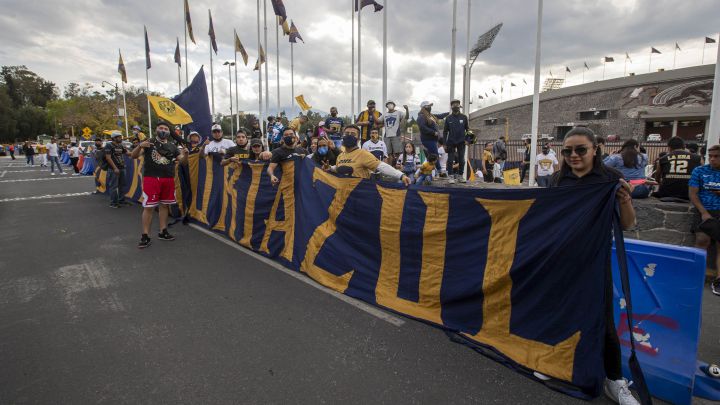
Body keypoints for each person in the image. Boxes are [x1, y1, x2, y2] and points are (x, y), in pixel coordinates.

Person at [548, 127, 638, 405]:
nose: (573, 155)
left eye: (580, 149)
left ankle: (614, 380)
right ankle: (553, 363)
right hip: (561, 258)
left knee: (603, 320)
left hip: (595, 259)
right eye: (567, 151)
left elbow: (627, 224)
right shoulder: (556, 180)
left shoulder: (610, 179)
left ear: (595, 149)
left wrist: (625, 202)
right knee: (558, 311)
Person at [130, 122, 189, 248]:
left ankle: (163, 231)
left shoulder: (172, 146)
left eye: (166, 129)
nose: (163, 130)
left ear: (169, 131)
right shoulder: (149, 142)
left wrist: (186, 154)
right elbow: (133, 156)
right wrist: (140, 145)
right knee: (149, 207)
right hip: (151, 178)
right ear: (156, 129)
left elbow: (183, 162)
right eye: (161, 128)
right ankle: (145, 235)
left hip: (168, 178)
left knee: (164, 206)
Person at [328, 125, 410, 186]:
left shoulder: (363, 154)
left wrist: (401, 175)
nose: (349, 135)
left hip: (359, 193)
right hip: (343, 195)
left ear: (358, 139)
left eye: (353, 134)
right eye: (346, 133)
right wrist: (330, 168)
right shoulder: (340, 156)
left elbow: (382, 166)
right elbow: (339, 168)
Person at [689, 145, 720, 296]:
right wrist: (704, 213)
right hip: (704, 210)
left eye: (716, 156)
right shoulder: (700, 171)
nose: (713, 159)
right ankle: (695, 275)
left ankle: (719, 280)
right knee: (702, 240)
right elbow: (693, 194)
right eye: (711, 155)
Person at [443, 99, 469, 183]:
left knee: (462, 160)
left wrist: (467, 140)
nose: (455, 106)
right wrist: (444, 143)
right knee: (450, 160)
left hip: (461, 142)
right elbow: (445, 131)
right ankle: (450, 176)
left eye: (457, 104)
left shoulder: (464, 117)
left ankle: (460, 176)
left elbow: (468, 130)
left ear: (459, 106)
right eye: (454, 105)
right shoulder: (448, 118)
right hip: (451, 142)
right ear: (451, 106)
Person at [104, 132, 130, 208]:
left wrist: (139, 148)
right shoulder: (109, 145)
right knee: (114, 186)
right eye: (119, 137)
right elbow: (108, 157)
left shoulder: (121, 145)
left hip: (122, 168)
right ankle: (113, 203)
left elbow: (128, 153)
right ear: (114, 138)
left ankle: (121, 200)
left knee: (122, 185)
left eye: (120, 137)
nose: (121, 138)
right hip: (113, 169)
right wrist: (115, 168)